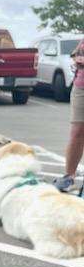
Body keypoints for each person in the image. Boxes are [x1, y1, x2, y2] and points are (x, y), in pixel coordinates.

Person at [54, 37, 84, 192]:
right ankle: (69, 177)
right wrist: (77, 59)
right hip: (81, 88)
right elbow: (75, 54)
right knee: (77, 133)